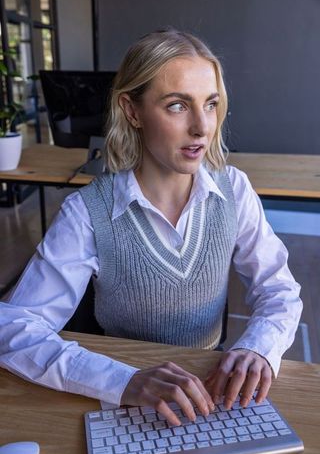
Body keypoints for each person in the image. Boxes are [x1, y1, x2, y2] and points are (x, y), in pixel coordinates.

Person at [0, 29, 302, 426]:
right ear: (132, 111)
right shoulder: (87, 212)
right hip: (124, 394)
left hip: (211, 387)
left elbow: (279, 288)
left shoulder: (235, 190)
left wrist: (259, 349)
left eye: (210, 104)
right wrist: (121, 380)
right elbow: (14, 326)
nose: (201, 127)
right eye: (177, 106)